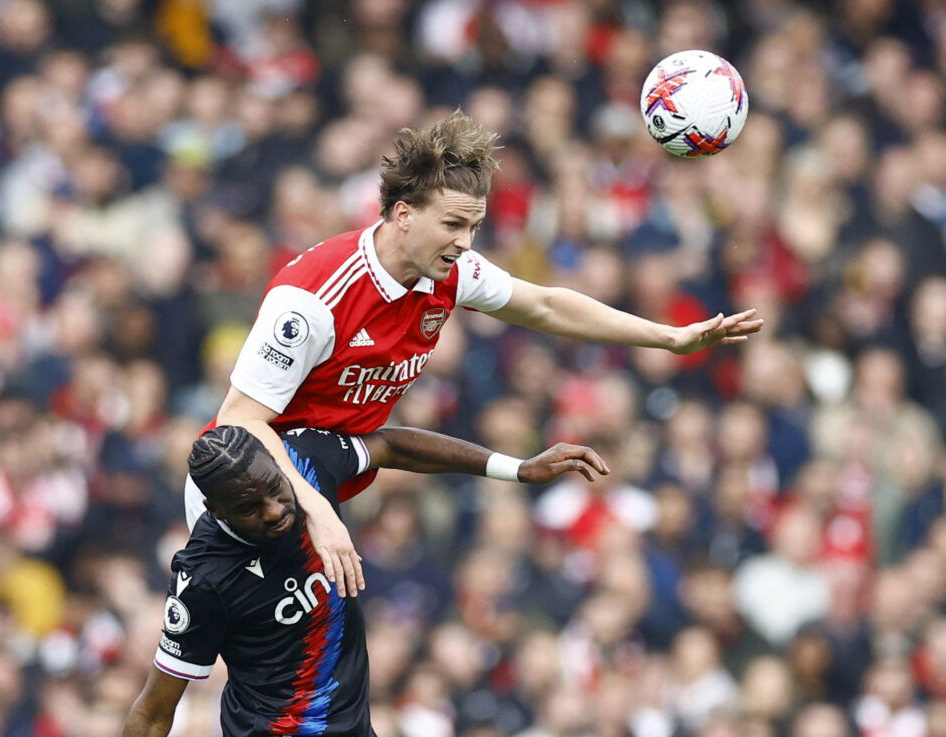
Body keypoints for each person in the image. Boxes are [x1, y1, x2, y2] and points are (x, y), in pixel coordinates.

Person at [193, 110, 764, 599]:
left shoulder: (448, 271)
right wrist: (316, 512)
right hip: (249, 499)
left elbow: (544, 306)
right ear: (402, 214)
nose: (466, 242)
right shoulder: (314, 299)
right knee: (297, 685)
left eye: (475, 226)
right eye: (453, 224)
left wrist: (669, 336)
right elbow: (241, 420)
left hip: (322, 480)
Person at [124, 423, 606, 737]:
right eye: (249, 508)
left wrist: (516, 468)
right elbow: (153, 710)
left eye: (275, 489)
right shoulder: (204, 578)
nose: (275, 512)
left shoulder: (305, 460)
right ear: (214, 511)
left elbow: (391, 445)